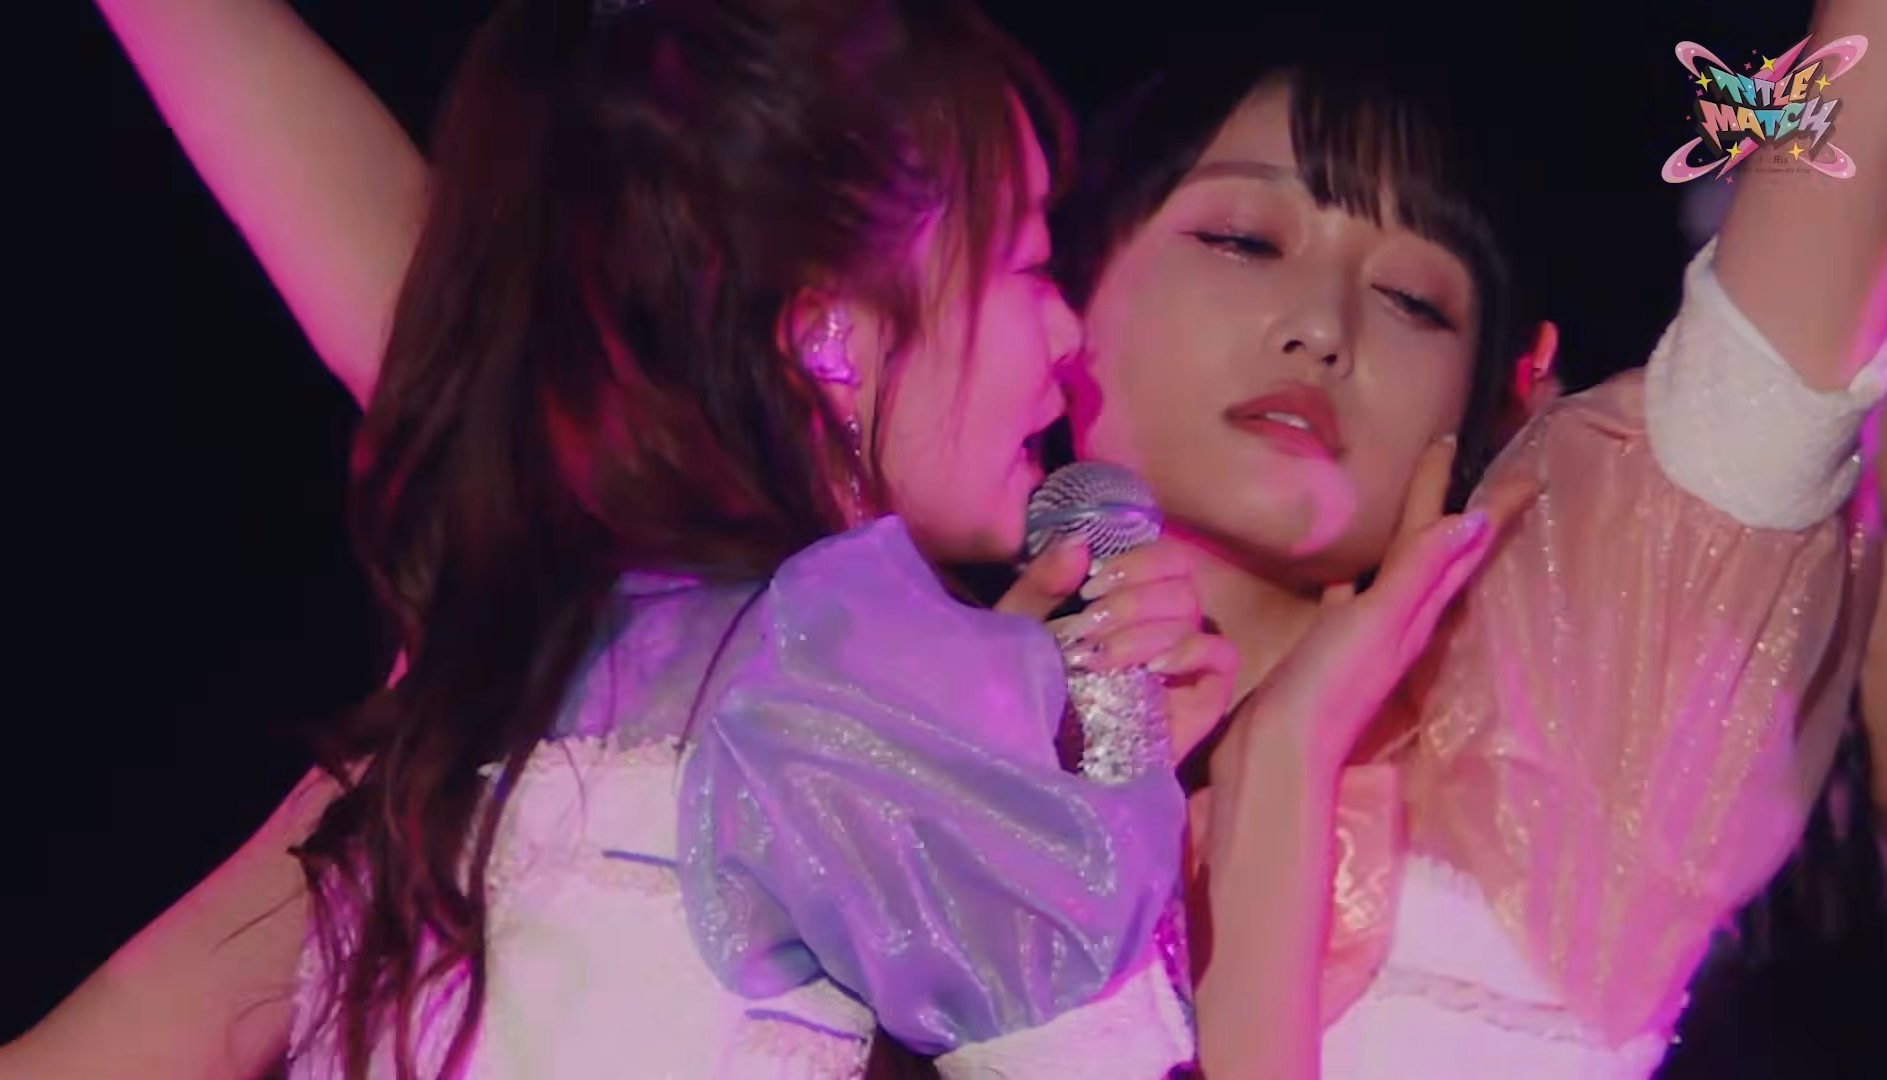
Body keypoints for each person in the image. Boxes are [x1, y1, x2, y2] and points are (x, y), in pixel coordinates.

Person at [16, 1, 1518, 1076]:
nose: (1320, 331)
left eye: (1414, 296)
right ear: (825, 327)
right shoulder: (736, 650)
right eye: (1028, 264)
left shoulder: (606, 652)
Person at [1054, 7, 1883, 1075]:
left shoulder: (1547, 752)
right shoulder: (908, 720)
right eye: (1244, 241)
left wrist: (1289, 760)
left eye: (1413, 300)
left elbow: (1766, 366)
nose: (1323, 327)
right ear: (1061, 283)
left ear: (1493, 400)